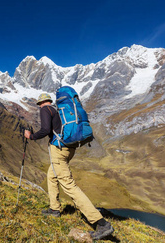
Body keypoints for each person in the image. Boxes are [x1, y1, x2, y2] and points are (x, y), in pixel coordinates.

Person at [24, 93, 114, 240]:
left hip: (58, 150)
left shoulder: (45, 110)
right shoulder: (56, 110)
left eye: (39, 104)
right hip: (68, 149)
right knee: (52, 176)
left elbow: (46, 130)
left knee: (68, 185)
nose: (40, 106)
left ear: (41, 103)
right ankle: (55, 209)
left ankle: (101, 223)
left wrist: (31, 136)